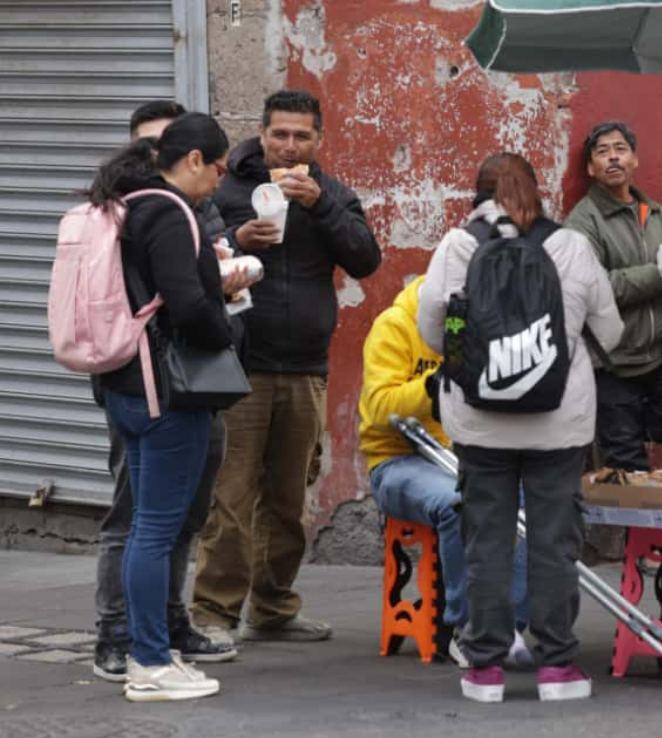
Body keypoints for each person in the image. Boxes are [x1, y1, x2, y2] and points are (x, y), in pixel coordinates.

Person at [418, 153, 623, 703]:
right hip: (559, 424)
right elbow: (614, 332)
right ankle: (557, 667)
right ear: (538, 190)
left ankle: (484, 669)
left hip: (480, 424)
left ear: (475, 193)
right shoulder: (571, 246)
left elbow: (433, 333)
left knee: (487, 541)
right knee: (555, 543)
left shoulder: (457, 247)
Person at [190, 90, 382, 643]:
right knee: (231, 497)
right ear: (263, 133)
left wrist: (320, 205)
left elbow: (366, 259)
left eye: (301, 136)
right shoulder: (228, 189)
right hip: (240, 364)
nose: (289, 145)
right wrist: (234, 237)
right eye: (280, 134)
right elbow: (190, 255)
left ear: (318, 140)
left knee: (289, 498)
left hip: (304, 367)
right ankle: (213, 614)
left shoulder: (332, 193)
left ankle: (273, 607)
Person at [91, 100, 242, 683]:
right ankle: (150, 661)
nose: (220, 181)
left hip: (123, 384)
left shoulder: (125, 205)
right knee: (154, 528)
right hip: (165, 392)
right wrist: (224, 323)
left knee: (146, 526)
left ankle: (147, 650)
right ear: (196, 159)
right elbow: (186, 306)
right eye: (220, 169)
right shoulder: (170, 211)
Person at [357, 275, 533, 667]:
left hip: (462, 455)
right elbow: (380, 407)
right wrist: (432, 388)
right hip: (398, 461)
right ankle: (468, 627)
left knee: (525, 496)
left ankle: (509, 624)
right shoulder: (394, 326)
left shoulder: (467, 328)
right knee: (460, 502)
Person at [564, 121, 662, 471]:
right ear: (591, 168)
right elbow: (594, 289)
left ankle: (624, 431)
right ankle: (620, 439)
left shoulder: (657, 215)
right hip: (613, 363)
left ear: (634, 160)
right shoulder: (583, 223)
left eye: (620, 149)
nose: (613, 157)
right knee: (629, 471)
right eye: (602, 152)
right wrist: (659, 272)